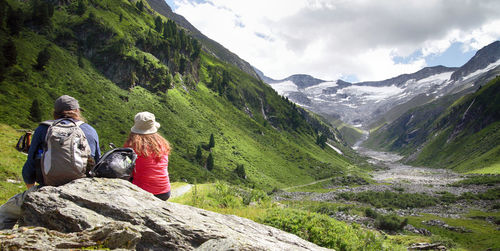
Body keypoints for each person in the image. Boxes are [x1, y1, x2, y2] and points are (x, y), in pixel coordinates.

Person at [0, 95, 101, 229]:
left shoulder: (43, 129)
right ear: (77, 111)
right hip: (81, 189)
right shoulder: (90, 131)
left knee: (4, 213)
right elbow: (97, 164)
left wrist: (34, 192)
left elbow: (29, 166)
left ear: (55, 112)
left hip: (47, 187)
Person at [124, 111, 171, 201]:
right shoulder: (162, 144)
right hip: (164, 191)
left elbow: (127, 168)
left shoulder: (132, 146)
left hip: (143, 191)